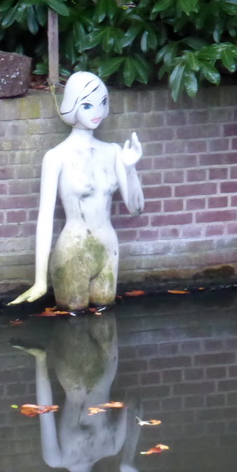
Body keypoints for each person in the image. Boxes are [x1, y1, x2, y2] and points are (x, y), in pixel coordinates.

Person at [11, 72, 144, 310]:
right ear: (71, 105)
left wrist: (130, 168)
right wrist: (40, 280)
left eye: (102, 103)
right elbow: (45, 218)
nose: (97, 111)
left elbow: (136, 209)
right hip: (73, 250)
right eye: (87, 104)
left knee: (106, 325)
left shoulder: (114, 152)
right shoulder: (56, 157)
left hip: (108, 249)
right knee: (73, 326)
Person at [13, 312, 142, 472]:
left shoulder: (57, 459)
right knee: (104, 308)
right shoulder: (112, 448)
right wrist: (128, 459)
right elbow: (134, 403)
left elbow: (45, 410)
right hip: (107, 367)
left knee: (74, 310)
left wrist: (41, 361)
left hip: (75, 377)